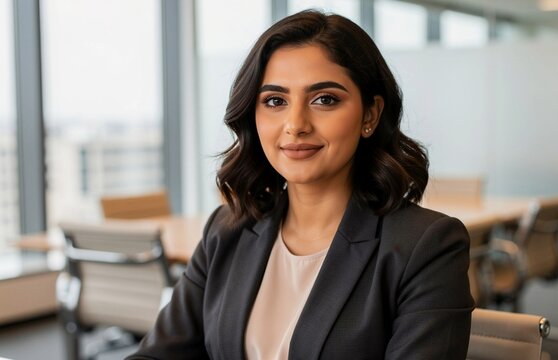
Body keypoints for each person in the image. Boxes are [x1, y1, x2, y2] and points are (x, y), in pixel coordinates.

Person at [128, 10, 473, 360]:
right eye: (275, 101)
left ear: (370, 114)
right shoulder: (227, 229)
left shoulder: (426, 246)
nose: (295, 125)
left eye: (324, 99)